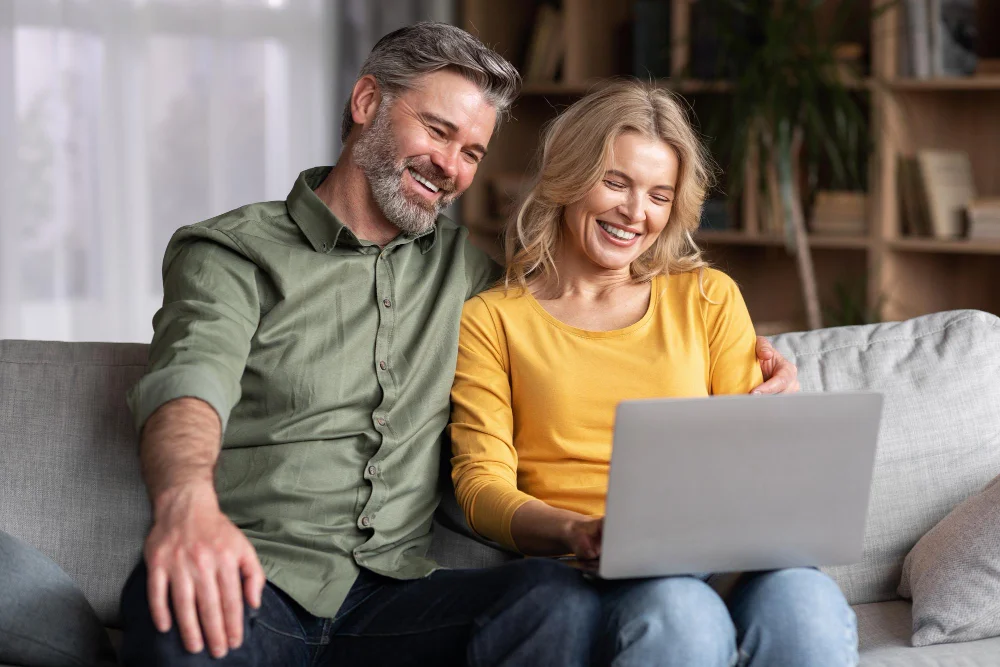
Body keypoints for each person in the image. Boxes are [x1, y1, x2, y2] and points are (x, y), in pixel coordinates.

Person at [119, 21, 800, 667]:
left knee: (553, 600)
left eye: (471, 151)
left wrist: (755, 374)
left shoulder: (473, 279)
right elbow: (189, 382)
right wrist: (187, 505)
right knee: (172, 610)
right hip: (255, 578)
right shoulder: (234, 253)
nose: (449, 164)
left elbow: (581, 314)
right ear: (366, 102)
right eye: (437, 130)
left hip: (393, 597)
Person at [449, 80, 857, 667]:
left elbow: (760, 463)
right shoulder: (494, 319)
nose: (635, 213)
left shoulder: (708, 297)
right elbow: (481, 487)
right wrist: (577, 532)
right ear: (567, 176)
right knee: (681, 615)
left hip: (727, 556)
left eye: (658, 195)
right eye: (615, 182)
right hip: (597, 570)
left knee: (807, 603)